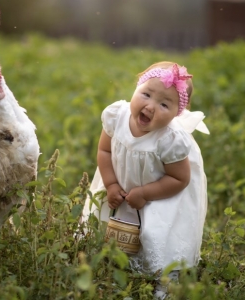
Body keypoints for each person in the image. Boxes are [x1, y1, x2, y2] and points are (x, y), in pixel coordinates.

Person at [82, 61, 209, 294]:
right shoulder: (116, 116)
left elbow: (180, 179)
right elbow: (105, 151)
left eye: (163, 104)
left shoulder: (170, 139)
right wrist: (110, 184)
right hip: (119, 187)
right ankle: (113, 265)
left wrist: (145, 193)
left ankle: (166, 277)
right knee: (110, 225)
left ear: (175, 113)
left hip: (160, 194)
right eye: (146, 94)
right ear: (136, 88)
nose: (150, 106)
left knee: (155, 233)